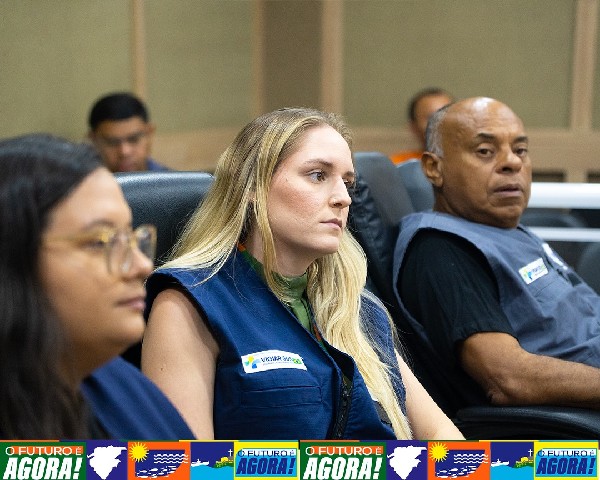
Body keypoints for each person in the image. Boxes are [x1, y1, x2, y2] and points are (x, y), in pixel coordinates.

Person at [141, 107, 463, 440]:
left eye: (347, 183)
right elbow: (187, 463)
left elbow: (443, 437)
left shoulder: (356, 307)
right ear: (252, 187)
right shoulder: (190, 302)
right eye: (318, 175)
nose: (343, 198)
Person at [393, 97, 600, 415]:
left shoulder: (499, 227)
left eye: (520, 150)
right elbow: (508, 378)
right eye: (485, 151)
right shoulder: (442, 249)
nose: (512, 163)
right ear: (434, 168)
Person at [0, 133, 193, 439]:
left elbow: (195, 463)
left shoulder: (114, 378)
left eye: (131, 237)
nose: (143, 266)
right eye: (100, 242)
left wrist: (281, 461)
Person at [88, 92, 169, 172]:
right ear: (93, 140)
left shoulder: (172, 180)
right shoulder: (83, 181)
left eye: (134, 139)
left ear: (149, 133)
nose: (125, 152)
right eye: (112, 142)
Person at [390, 88, 453, 165]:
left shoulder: (466, 162)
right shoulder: (400, 164)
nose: (441, 123)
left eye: (447, 115)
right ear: (413, 127)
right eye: (431, 117)